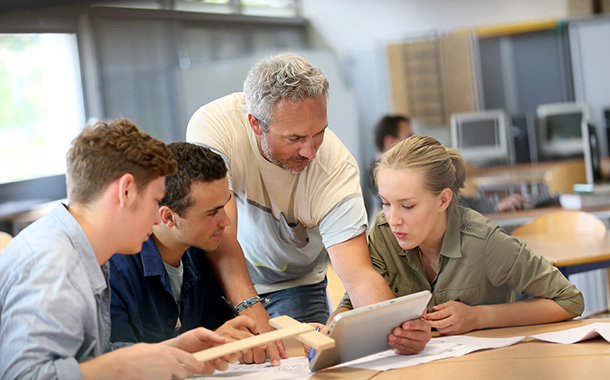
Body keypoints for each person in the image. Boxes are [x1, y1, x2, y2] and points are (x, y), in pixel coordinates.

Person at [187, 53, 430, 354]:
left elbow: (359, 275)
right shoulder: (215, 126)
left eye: (320, 133)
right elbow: (219, 232)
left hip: (295, 281)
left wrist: (393, 332)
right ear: (255, 124)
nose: (311, 151)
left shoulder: (336, 170)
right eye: (295, 138)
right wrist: (252, 310)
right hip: (223, 275)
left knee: (309, 364)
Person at [0, 119, 242, 379]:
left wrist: (173, 351)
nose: (157, 219)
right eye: (154, 201)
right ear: (125, 191)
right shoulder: (53, 264)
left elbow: (84, 361)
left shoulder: (82, 251)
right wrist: (121, 366)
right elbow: (23, 375)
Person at [338, 135, 584, 335]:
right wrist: (331, 329)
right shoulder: (383, 234)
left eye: (408, 206)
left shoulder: (484, 242)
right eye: (386, 203)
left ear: (443, 200)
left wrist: (479, 317)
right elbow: (352, 303)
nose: (393, 220)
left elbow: (569, 300)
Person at [109, 141, 280, 365]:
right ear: (168, 217)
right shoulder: (113, 271)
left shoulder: (205, 252)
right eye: (212, 213)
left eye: (224, 206)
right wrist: (203, 348)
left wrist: (241, 342)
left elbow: (226, 336)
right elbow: (113, 366)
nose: (226, 222)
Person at [371, 114, 528, 213]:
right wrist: (494, 206)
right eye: (409, 136)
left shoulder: (403, 174)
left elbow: (454, 202)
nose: (413, 141)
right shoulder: (391, 181)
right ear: (390, 142)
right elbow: (453, 205)